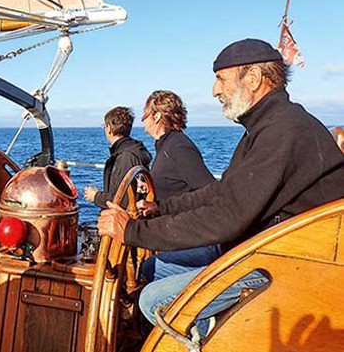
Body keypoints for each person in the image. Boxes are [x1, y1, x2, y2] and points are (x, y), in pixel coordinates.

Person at [97, 39, 344, 336]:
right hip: (259, 250)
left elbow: (227, 216)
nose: (215, 90)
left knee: (153, 299)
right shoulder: (268, 126)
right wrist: (160, 208)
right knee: (151, 270)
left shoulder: (281, 130)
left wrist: (133, 232)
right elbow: (222, 190)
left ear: (252, 78)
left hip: (281, 267)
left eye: (221, 79)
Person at [140, 90, 219, 282]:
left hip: (193, 239)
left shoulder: (178, 147)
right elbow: (175, 182)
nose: (142, 119)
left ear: (156, 116)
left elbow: (209, 191)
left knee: (148, 268)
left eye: (144, 114)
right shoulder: (166, 146)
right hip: (176, 233)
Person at [84, 106, 152, 208]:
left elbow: (124, 200)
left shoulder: (126, 157)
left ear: (109, 129)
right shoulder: (134, 150)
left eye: (105, 126)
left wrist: (96, 196)